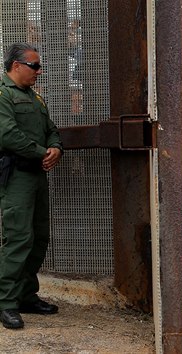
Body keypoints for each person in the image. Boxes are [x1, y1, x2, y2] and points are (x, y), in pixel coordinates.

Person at [0, 42, 63, 330]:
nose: (39, 70)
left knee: (39, 238)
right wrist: (42, 152)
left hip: (37, 176)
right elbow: (8, 135)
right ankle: (6, 302)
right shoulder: (3, 95)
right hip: (17, 177)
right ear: (16, 66)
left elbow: (51, 129)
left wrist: (55, 148)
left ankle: (26, 294)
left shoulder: (35, 98)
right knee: (18, 239)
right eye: (34, 66)